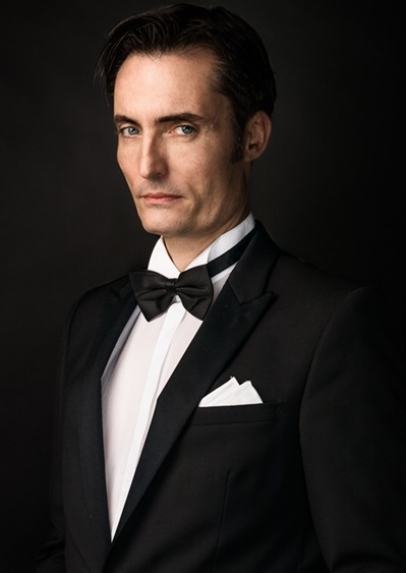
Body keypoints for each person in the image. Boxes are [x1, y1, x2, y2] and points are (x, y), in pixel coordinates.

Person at [36, 4, 406, 572]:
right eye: (130, 129)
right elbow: (64, 547)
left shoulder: (331, 324)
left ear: (252, 136)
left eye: (182, 128)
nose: (147, 165)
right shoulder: (88, 321)